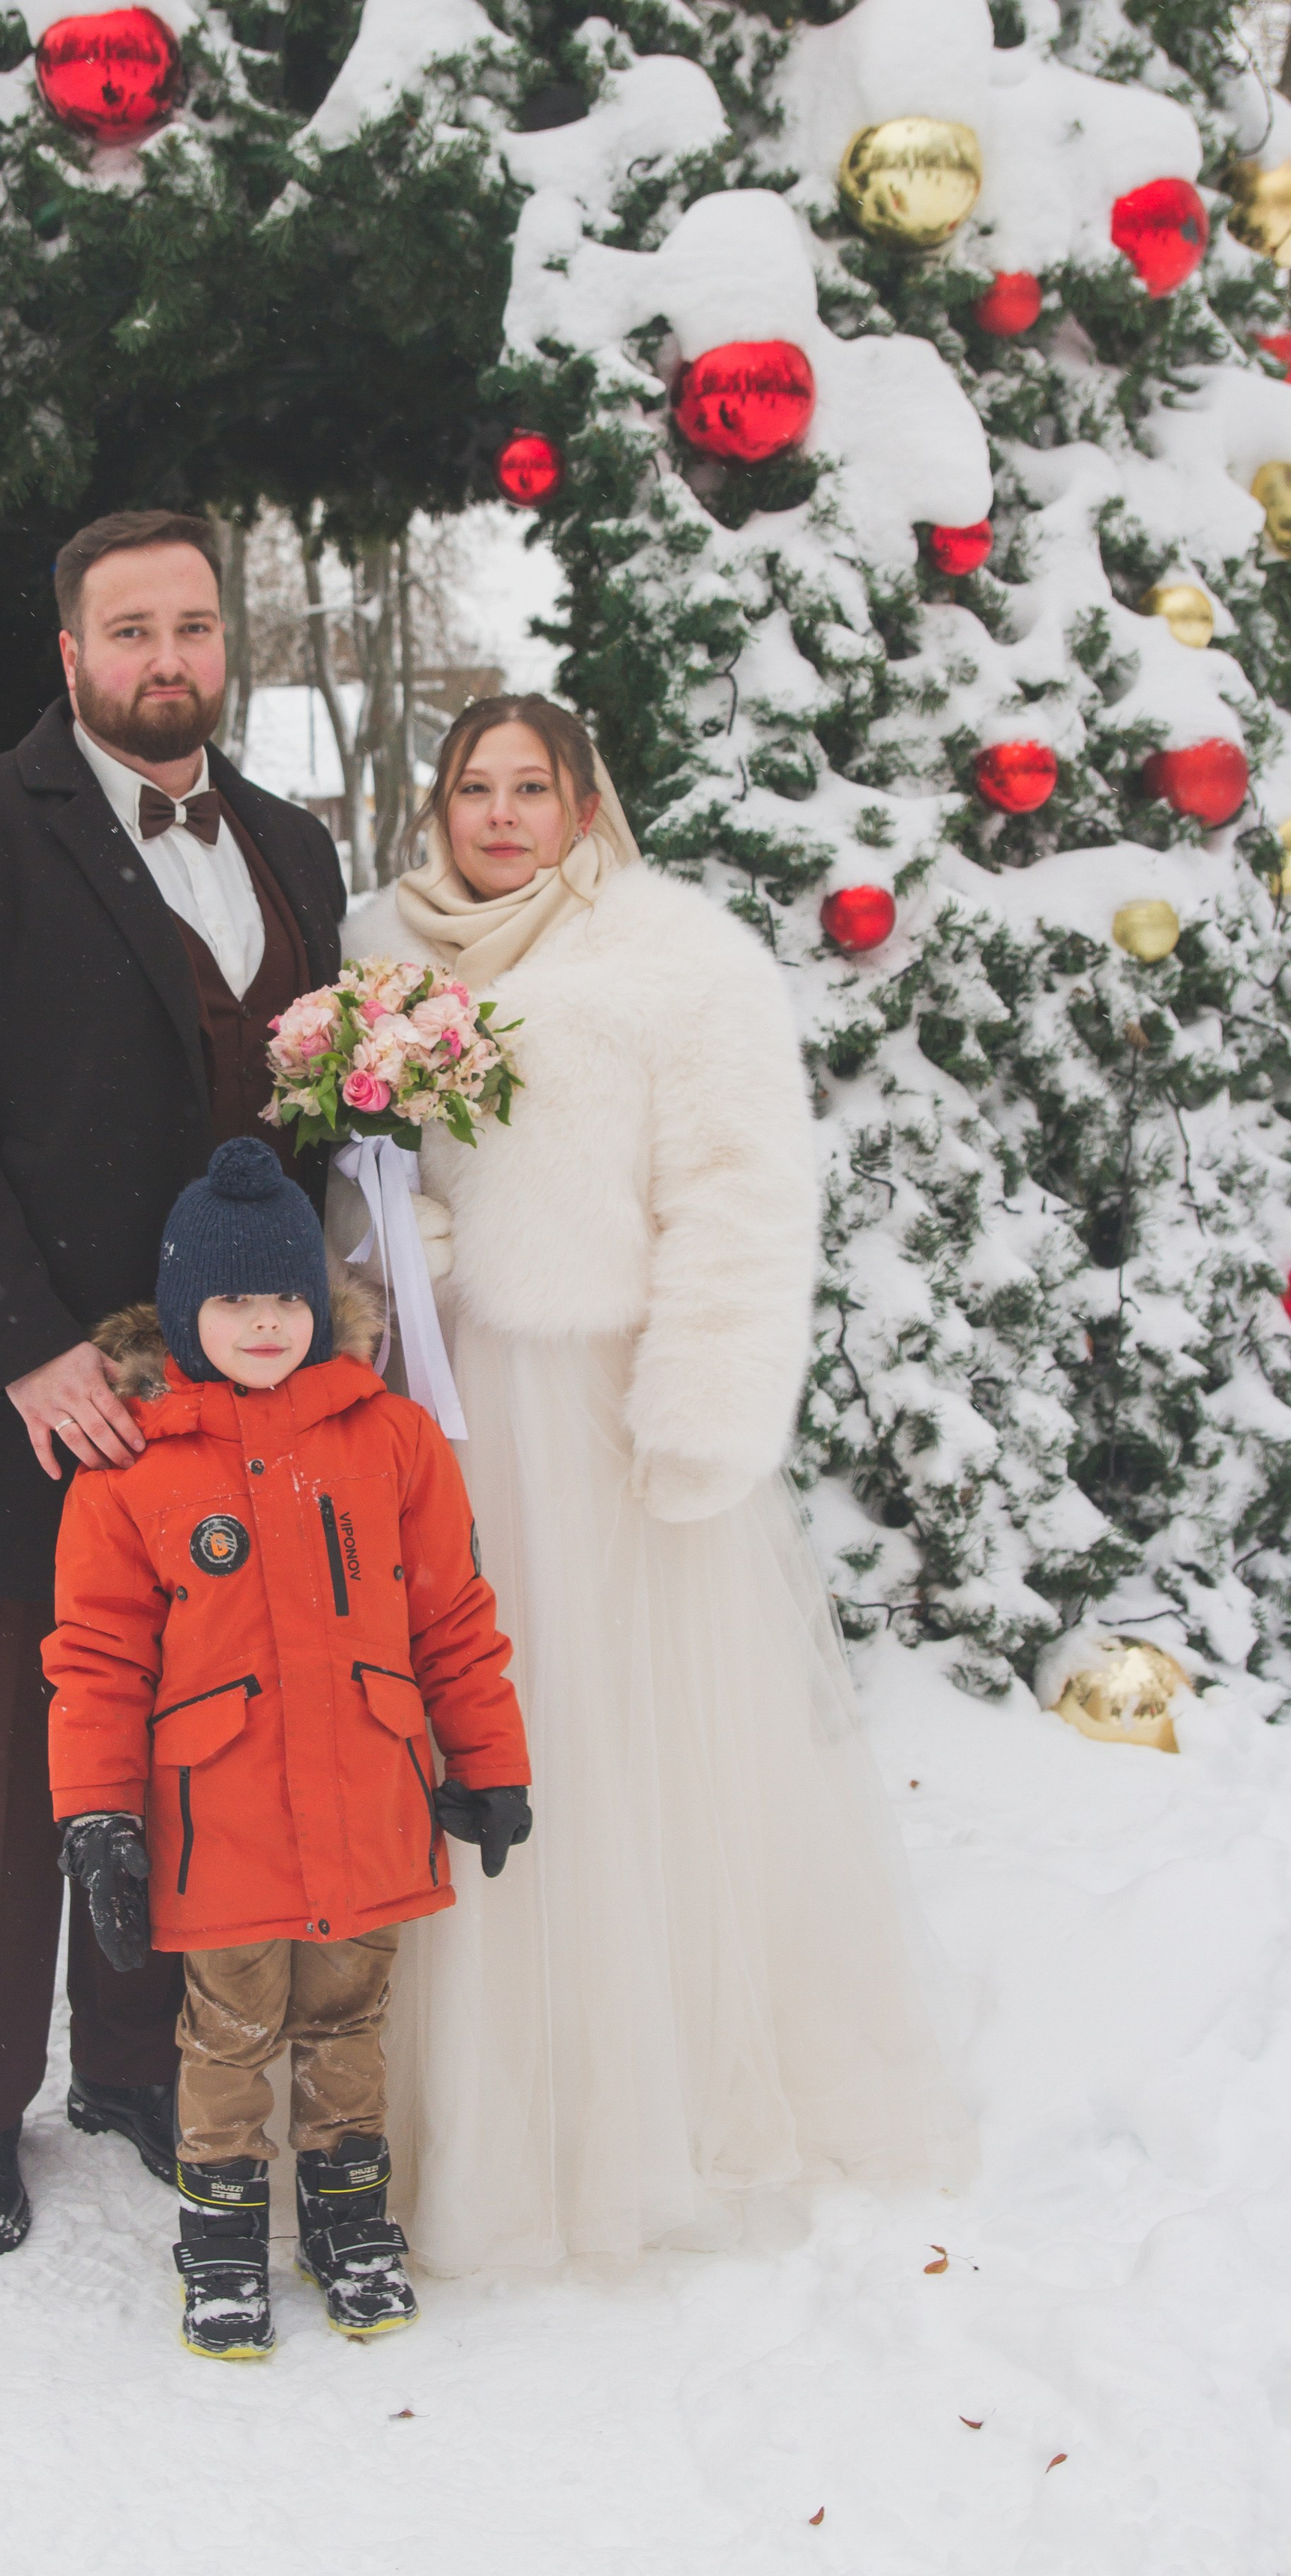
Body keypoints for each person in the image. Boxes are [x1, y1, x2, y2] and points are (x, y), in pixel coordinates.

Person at [338, 695, 971, 2273]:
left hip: (596, 1413)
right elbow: (352, 1170)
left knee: (602, 1746)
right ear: (435, 809)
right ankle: (457, 2110)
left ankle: (633, 2107)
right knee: (446, 1722)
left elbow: (739, 1187)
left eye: (528, 787)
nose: (497, 816)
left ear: (580, 801)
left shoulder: (671, 955)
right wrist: (375, 1255)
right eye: (471, 789)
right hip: (434, 1404)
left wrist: (702, 1403)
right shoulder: (375, 952)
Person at [0, 512, 346, 2257]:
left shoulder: (291, 847)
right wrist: (30, 1352)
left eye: (194, 624)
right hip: (12, 1400)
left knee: (188, 1749)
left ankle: (134, 2066)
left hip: (220, 1414)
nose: (166, 658)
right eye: (129, 629)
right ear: (69, 656)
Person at [43, 1138, 532, 2356]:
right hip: (226, 1822)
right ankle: (219, 2236)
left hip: (369, 1800)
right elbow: (96, 1656)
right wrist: (96, 1811)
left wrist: (491, 1760)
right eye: (232, 1300)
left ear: (320, 1306)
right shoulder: (131, 1468)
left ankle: (349, 2220)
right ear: (182, 1310)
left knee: (350, 2025)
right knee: (226, 2033)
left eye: (283, 1299)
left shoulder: (392, 1441)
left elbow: (452, 1614)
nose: (262, 1325)